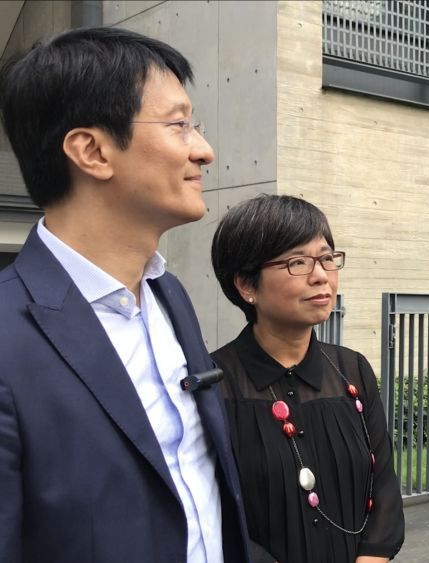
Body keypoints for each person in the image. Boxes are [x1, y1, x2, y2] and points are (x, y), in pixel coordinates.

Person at [0, 27, 251, 562]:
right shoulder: (7, 337)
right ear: (91, 150)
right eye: (179, 125)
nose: (204, 151)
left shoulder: (168, 295)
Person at [210, 194, 404, 563]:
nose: (321, 275)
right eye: (297, 262)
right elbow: (212, 515)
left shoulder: (353, 371)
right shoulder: (214, 385)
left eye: (327, 258)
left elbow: (384, 490)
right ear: (246, 285)